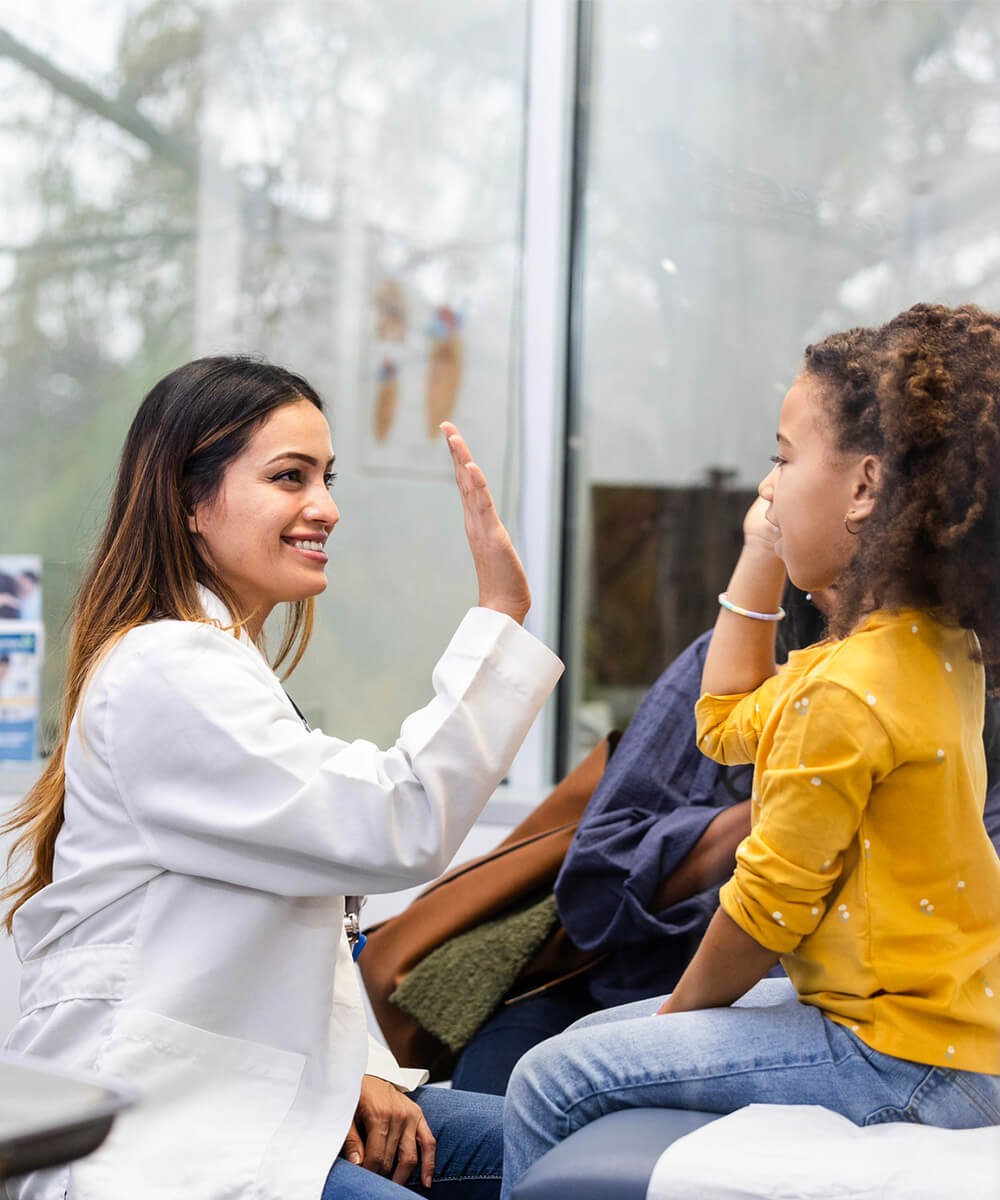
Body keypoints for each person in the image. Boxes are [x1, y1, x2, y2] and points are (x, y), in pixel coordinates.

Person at [0, 356, 563, 1200]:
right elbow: (391, 823)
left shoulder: (220, 663)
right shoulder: (167, 668)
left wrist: (362, 1071)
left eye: (325, 478)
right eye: (288, 477)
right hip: (160, 1138)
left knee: (562, 1143)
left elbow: (300, 920)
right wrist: (500, 617)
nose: (326, 506)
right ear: (189, 502)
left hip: (249, 1102)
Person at [501, 304, 1000, 1195]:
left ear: (865, 486)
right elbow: (724, 721)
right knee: (587, 1038)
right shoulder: (926, 646)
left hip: (901, 1060)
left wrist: (670, 1022)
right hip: (944, 1036)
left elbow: (764, 909)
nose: (766, 492)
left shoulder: (844, 687)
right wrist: (760, 555)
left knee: (553, 1073)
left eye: (782, 458)